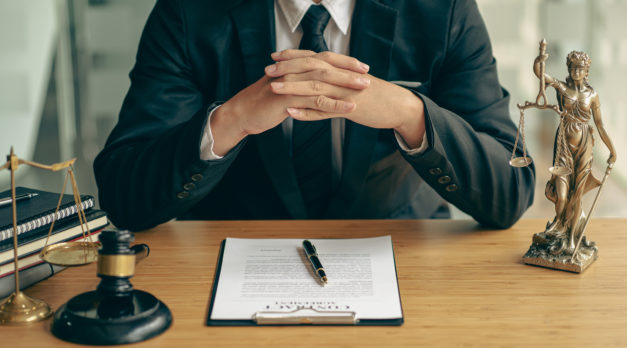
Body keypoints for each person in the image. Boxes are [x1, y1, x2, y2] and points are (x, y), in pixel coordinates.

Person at [93, 0, 535, 231]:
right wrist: (231, 120)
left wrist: (410, 114)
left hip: (400, 247)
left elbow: (510, 190)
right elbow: (124, 196)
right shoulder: (188, 11)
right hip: (229, 253)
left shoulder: (444, 9)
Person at [533, 50, 616, 254]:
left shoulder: (592, 95)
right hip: (563, 146)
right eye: (573, 68)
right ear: (569, 69)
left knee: (577, 194)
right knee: (562, 196)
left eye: (580, 68)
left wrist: (612, 150)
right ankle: (560, 226)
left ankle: (571, 239)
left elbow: (600, 125)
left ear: (586, 70)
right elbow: (541, 75)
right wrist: (540, 60)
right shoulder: (562, 88)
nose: (576, 71)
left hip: (585, 145)